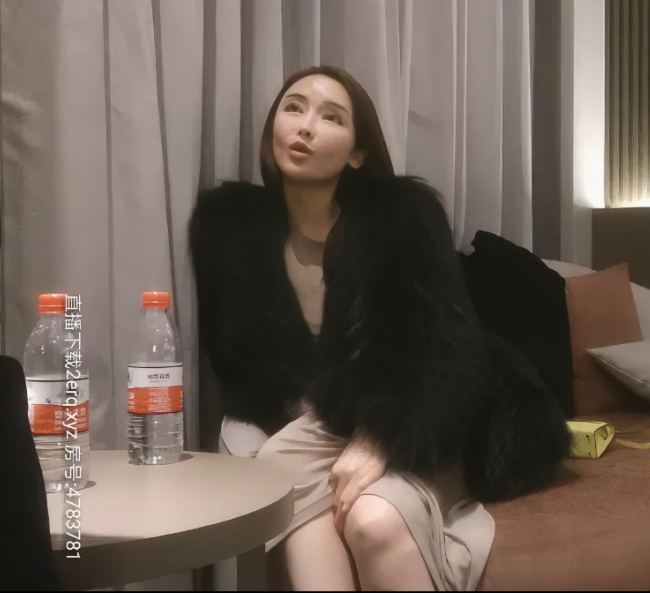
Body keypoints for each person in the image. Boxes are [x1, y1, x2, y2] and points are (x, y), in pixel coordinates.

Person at [189, 65, 570, 591]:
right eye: (293, 108)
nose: (305, 126)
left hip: (428, 415)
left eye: (331, 117)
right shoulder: (233, 233)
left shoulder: (400, 219)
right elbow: (242, 366)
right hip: (323, 424)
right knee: (276, 471)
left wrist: (380, 439)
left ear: (357, 153)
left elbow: (442, 352)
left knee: (373, 517)